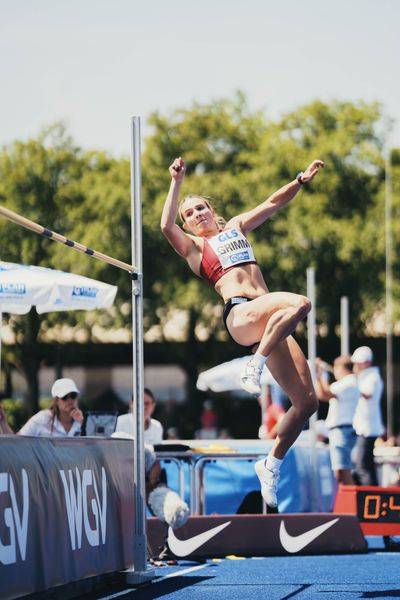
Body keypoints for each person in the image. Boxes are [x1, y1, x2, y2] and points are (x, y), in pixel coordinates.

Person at [161, 156, 324, 508]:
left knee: (307, 403)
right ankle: (256, 363)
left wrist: (300, 180)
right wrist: (177, 182)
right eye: (189, 214)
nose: (196, 215)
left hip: (269, 319)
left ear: (211, 210)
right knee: (300, 303)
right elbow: (165, 226)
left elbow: (272, 202)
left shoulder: (235, 227)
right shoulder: (195, 249)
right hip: (241, 314)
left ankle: (271, 463)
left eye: (200, 208)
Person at [315, 355, 359, 484]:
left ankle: (352, 503)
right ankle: (352, 501)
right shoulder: (351, 382)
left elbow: (324, 394)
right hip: (342, 430)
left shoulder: (348, 381)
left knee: (341, 471)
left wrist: (320, 376)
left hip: (342, 430)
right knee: (341, 471)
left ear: (340, 368)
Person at [351, 346, 384, 486]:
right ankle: (372, 497)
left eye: (360, 363)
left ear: (368, 362)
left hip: (368, 429)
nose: (357, 366)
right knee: (366, 466)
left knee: (362, 467)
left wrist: (351, 383)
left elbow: (367, 393)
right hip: (364, 428)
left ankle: (369, 498)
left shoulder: (373, 377)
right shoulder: (365, 377)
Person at [18, 378, 83, 437]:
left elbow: (91, 448)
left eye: (73, 395)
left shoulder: (82, 420)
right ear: (56, 401)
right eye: (64, 397)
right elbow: (18, 441)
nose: (70, 400)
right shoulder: (42, 418)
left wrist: (82, 424)